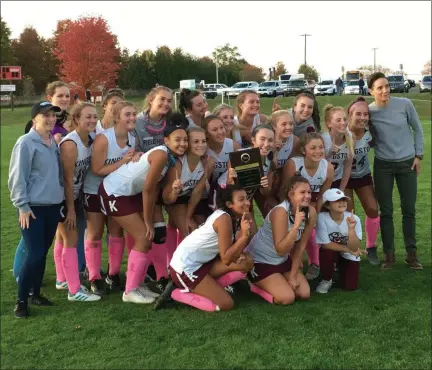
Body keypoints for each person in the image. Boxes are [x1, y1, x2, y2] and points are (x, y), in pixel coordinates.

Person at [98, 113, 188, 304]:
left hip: (127, 194)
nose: (182, 143)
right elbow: (148, 189)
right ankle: (130, 290)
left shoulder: (171, 161)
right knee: (143, 237)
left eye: (185, 140)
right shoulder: (162, 154)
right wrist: (148, 221)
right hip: (113, 191)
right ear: (166, 140)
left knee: (147, 237)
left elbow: (159, 194)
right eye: (177, 139)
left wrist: (174, 191)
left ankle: (136, 285)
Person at [155, 184, 254, 312]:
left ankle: (208, 288)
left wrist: (239, 248)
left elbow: (229, 250)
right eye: (241, 200)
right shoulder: (224, 219)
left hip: (203, 262)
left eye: (246, 198)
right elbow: (226, 259)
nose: (247, 202)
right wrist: (244, 236)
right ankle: (176, 294)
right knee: (226, 304)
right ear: (229, 204)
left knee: (247, 262)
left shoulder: (231, 216)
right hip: (185, 268)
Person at [8, 102, 64, 318]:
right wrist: (22, 205)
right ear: (34, 119)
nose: (50, 119)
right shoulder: (26, 143)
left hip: (52, 207)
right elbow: (17, 177)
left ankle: (36, 293)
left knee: (42, 254)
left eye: (52, 115)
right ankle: (21, 300)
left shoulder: (52, 142)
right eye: (45, 115)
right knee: (35, 253)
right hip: (32, 209)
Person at [368, 72, 424, 270]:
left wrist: (418, 156)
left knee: (409, 210)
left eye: (386, 86)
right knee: (386, 212)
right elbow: (356, 126)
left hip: (407, 163)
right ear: (371, 91)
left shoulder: (405, 104)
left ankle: (412, 255)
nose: (385, 90)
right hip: (383, 165)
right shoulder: (369, 111)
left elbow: (417, 129)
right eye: (379, 88)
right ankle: (389, 256)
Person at [83, 101, 137, 295]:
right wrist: (123, 161)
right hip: (94, 190)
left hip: (116, 191)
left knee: (116, 232)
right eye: (127, 114)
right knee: (95, 233)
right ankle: (94, 277)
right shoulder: (104, 139)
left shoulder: (133, 138)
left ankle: (113, 274)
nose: (132, 118)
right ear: (116, 117)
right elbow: (97, 170)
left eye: (134, 114)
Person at [54, 103, 101, 302]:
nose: (92, 120)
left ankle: (62, 279)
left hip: (74, 195)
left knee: (62, 238)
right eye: (87, 117)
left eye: (94, 117)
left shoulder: (90, 140)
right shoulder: (70, 144)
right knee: (71, 239)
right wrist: (71, 209)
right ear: (76, 120)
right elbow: (66, 179)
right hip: (63, 197)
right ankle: (74, 291)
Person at [247, 176, 316, 304]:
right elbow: (280, 249)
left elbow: (301, 247)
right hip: (261, 260)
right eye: (302, 192)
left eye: (309, 192)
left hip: (281, 260)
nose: (307, 196)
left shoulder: (310, 212)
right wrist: (295, 227)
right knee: (286, 298)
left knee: (304, 293)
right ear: (291, 194)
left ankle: (280, 279)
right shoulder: (280, 212)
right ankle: (252, 285)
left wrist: (293, 275)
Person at [279, 133, 334, 281]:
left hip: (313, 202)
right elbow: (286, 191)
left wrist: (316, 211)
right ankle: (291, 260)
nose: (318, 151)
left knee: (313, 223)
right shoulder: (293, 164)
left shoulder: (328, 168)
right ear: (303, 150)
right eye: (313, 148)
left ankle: (314, 263)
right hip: (292, 202)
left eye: (321, 147)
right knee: (296, 225)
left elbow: (323, 195)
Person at [162, 127, 213, 259]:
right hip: (171, 198)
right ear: (188, 144)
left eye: (203, 141)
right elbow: (167, 199)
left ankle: (172, 263)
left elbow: (197, 192)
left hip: (187, 197)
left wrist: (188, 216)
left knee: (188, 226)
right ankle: (180, 266)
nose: (201, 145)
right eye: (196, 142)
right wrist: (174, 191)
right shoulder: (178, 163)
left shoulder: (207, 162)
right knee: (188, 231)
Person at [346, 97, 381, 265]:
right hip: (343, 177)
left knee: (373, 209)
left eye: (365, 114)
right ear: (350, 115)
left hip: (363, 174)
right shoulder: (341, 132)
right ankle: (349, 249)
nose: (362, 117)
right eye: (358, 114)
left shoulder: (370, 132)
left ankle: (371, 247)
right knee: (347, 213)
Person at [315, 189, 363, 294]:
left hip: (348, 251)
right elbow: (326, 245)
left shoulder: (355, 219)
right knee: (326, 253)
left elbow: (354, 247)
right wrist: (349, 250)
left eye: (343, 199)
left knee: (350, 286)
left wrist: (351, 229)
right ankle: (326, 279)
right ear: (327, 206)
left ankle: (339, 270)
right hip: (333, 251)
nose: (342, 202)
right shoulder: (321, 218)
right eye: (336, 200)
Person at [321, 104, 354, 191]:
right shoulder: (322, 139)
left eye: (345, 119)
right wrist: (329, 153)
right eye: (338, 120)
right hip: (322, 181)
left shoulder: (350, 136)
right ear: (329, 123)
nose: (343, 123)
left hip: (338, 180)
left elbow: (347, 166)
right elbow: (318, 166)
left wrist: (341, 190)